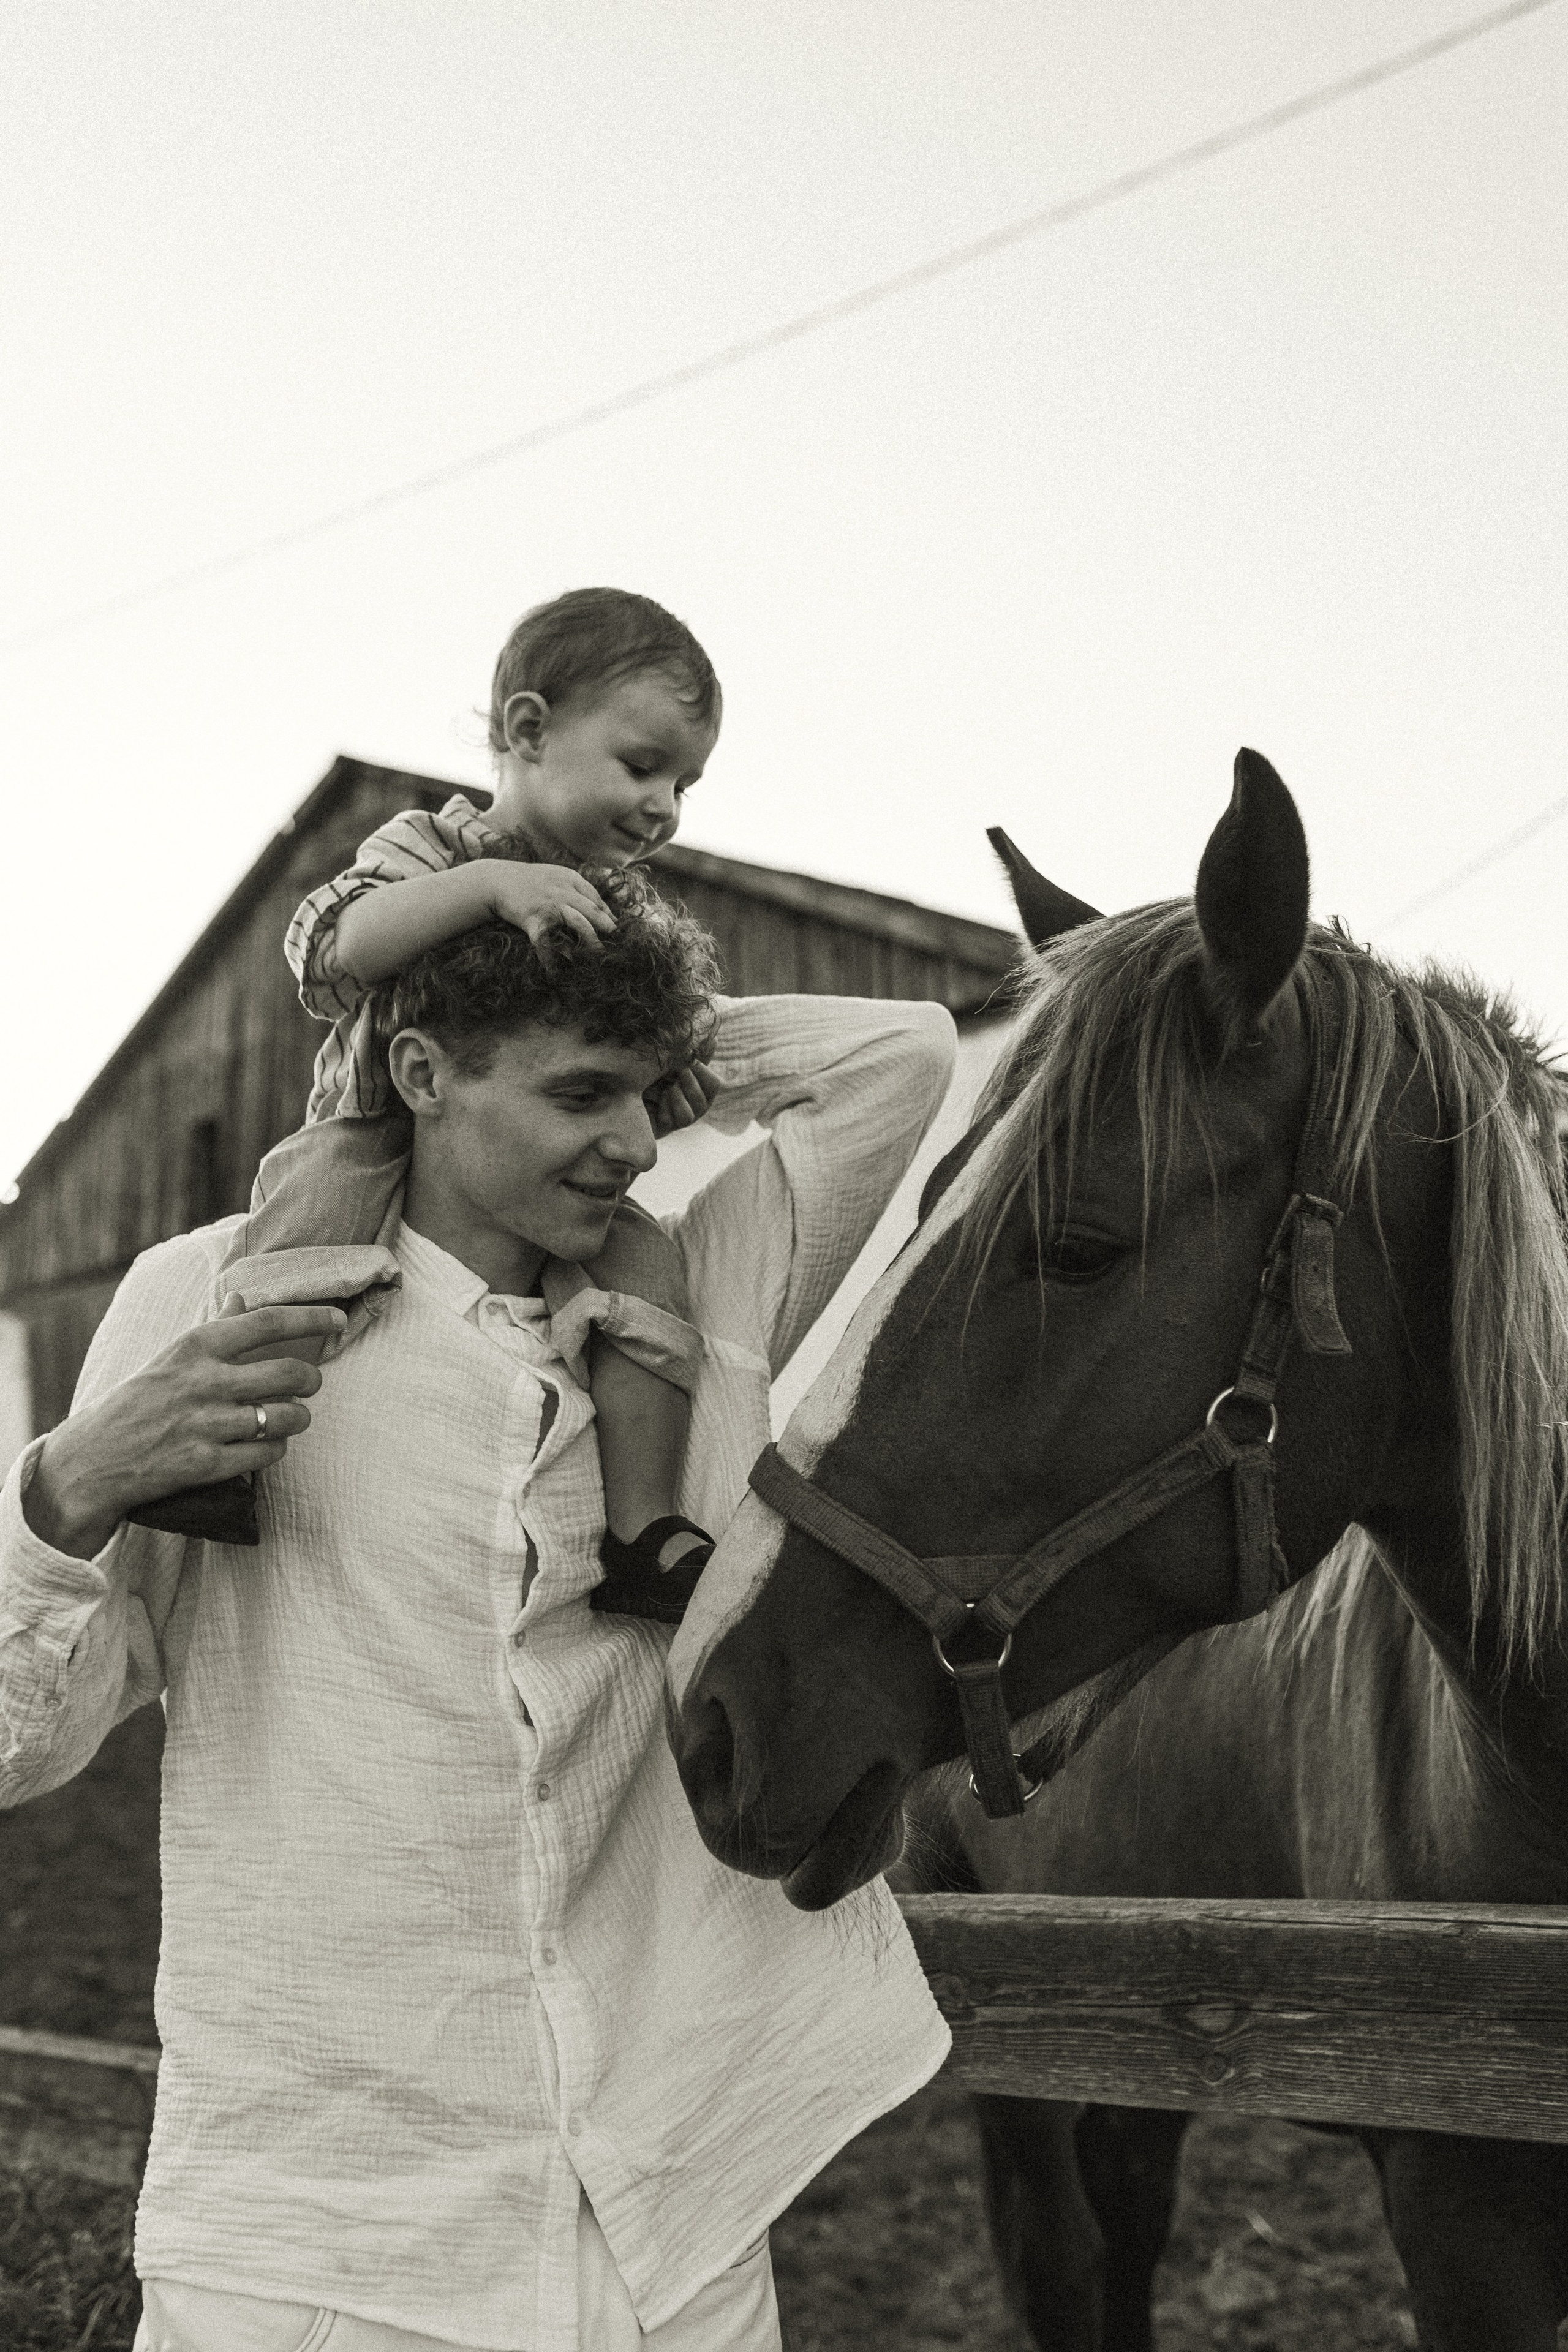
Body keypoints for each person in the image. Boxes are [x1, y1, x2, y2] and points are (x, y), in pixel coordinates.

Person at [0, 872, 957, 2351]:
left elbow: (899, 1056)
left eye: (650, 1097)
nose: (635, 1143)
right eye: (579, 1094)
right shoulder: (216, 1296)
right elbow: (24, 1748)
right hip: (316, 2241)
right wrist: (68, 1489)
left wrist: (639, 1018)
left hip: (669, 2226)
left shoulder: (700, 1292)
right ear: (421, 1075)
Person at [133, 588, 725, 1621]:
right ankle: (228, 1453)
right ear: (529, 730)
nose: (664, 806)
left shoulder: (618, 906)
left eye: (684, 784)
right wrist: (488, 891)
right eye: (643, 766)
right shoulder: (435, 848)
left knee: (646, 1286)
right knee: (296, 1250)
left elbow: (605, 1041)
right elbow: (335, 950)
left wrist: (666, 1070)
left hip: (515, 1163)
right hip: (370, 1127)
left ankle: (641, 1527)